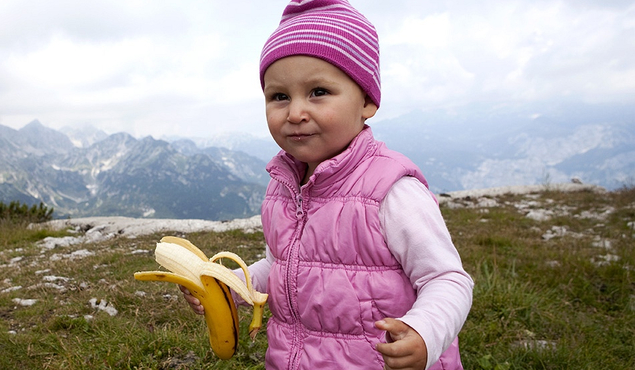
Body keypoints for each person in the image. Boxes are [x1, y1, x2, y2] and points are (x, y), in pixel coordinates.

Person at [181, 0, 474, 369]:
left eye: (318, 91)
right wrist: (231, 285)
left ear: (367, 100)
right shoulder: (282, 186)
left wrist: (424, 332)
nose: (296, 112)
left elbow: (447, 278)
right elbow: (280, 266)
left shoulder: (391, 191)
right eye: (279, 96)